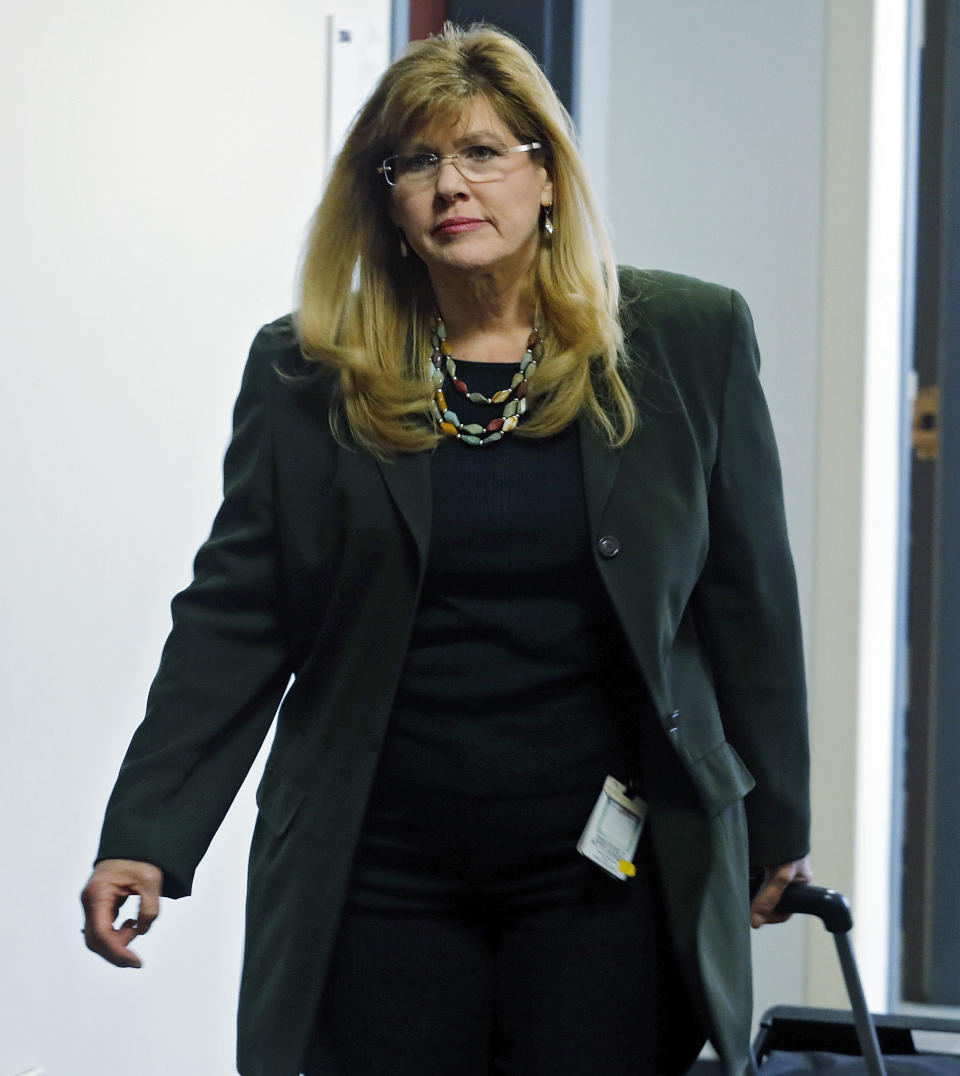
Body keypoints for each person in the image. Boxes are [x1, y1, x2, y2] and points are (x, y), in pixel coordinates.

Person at [80, 22, 811, 1076]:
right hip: (380, 867)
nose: (448, 185)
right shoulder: (309, 370)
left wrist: (776, 816)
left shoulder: (687, 340)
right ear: (384, 198)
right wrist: (146, 830)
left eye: (479, 152)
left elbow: (751, 600)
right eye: (414, 161)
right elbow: (237, 614)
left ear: (547, 174)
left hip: (606, 868)